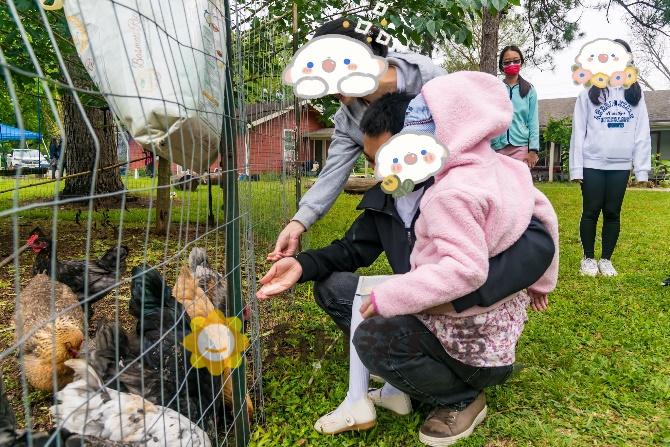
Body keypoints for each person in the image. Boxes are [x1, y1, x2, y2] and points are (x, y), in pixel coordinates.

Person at [258, 85, 558, 445]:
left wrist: (452, 298)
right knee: (334, 288)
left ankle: (459, 397)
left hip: (470, 324)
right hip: (428, 307)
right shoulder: (390, 195)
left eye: (386, 156)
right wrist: (302, 265)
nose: (379, 170)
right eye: (370, 161)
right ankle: (403, 379)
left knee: (374, 338)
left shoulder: (464, 190)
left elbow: (536, 245)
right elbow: (351, 249)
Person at [268, 17, 446, 261]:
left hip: (450, 191)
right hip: (404, 203)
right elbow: (333, 173)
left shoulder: (431, 81)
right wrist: (298, 222)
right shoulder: (347, 118)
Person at [569, 39, 651, 277]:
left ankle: (606, 259)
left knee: (613, 212)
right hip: (592, 163)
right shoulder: (588, 94)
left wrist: (641, 169)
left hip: (620, 164)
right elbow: (578, 133)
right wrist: (577, 169)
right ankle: (588, 258)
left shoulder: (636, 95)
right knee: (591, 211)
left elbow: (642, 132)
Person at [490, 45, 540, 168]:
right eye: (507, 62)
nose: (512, 64)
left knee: (519, 185)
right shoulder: (495, 89)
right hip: (497, 148)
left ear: (521, 62)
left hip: (520, 148)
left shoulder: (529, 90)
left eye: (516, 61)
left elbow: (533, 122)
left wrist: (533, 150)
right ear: (502, 66)